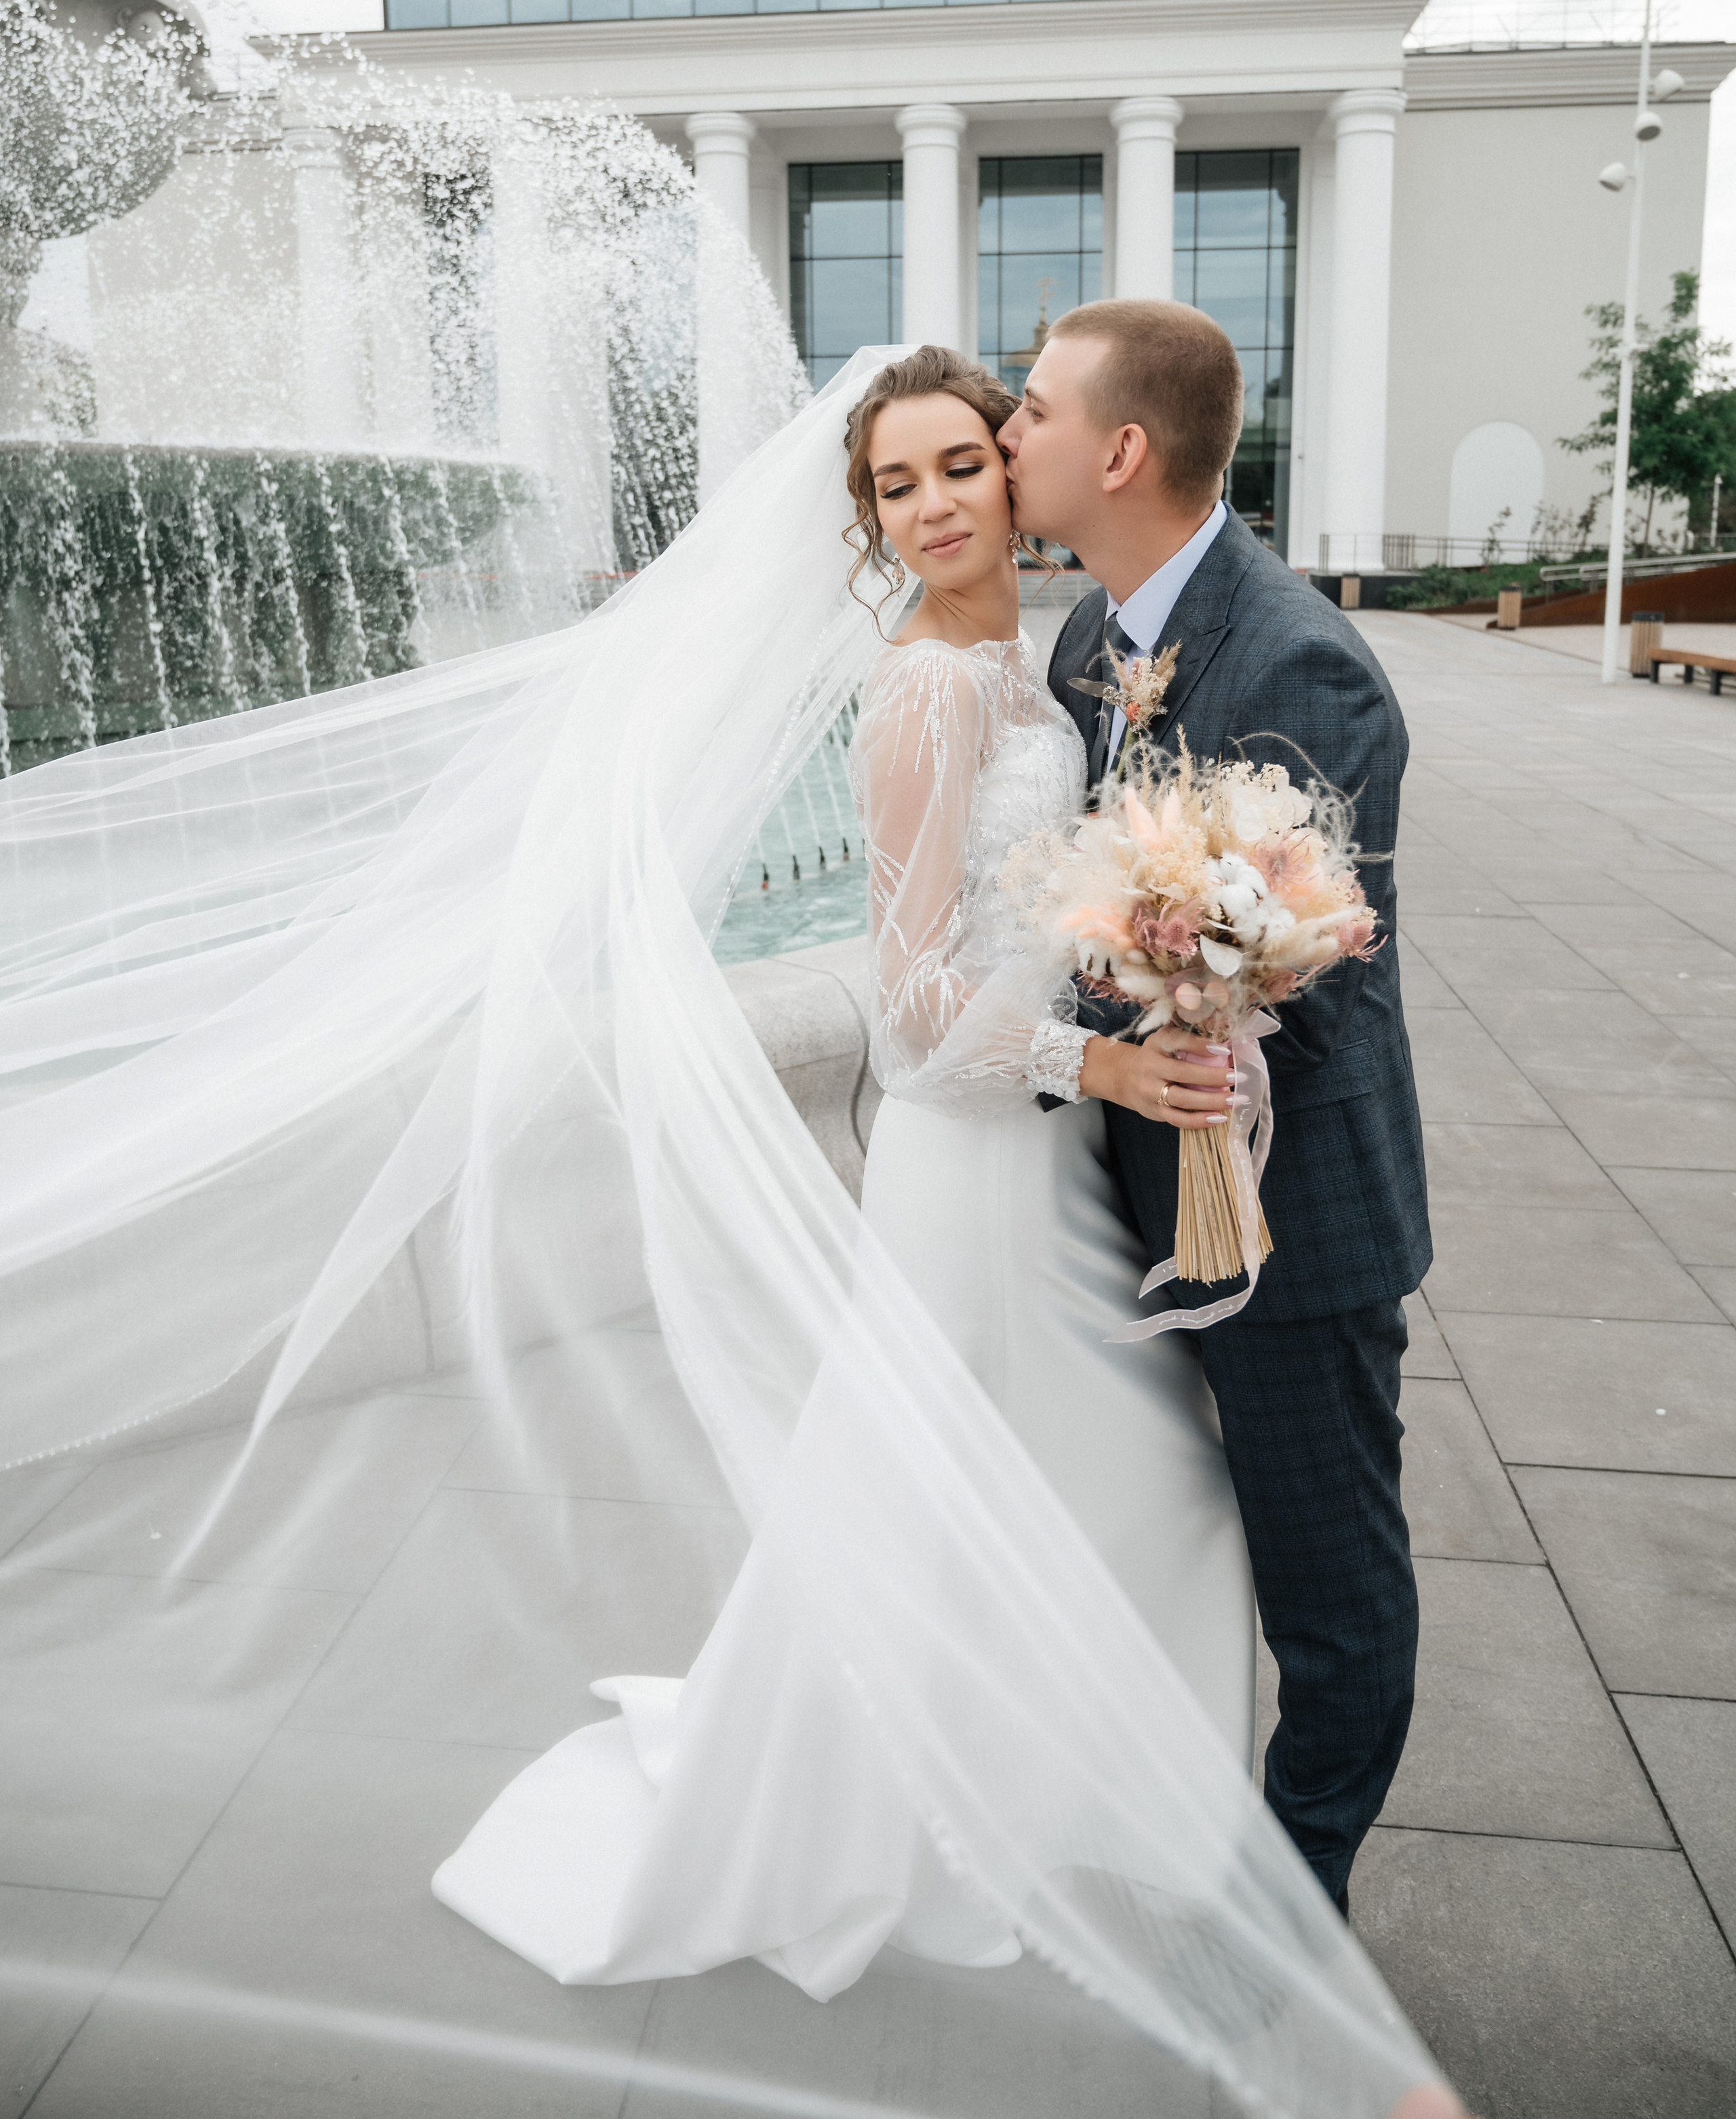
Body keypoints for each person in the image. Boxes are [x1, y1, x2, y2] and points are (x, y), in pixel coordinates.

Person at [0, 342, 1457, 2117]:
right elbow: (911, 1015)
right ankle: (919, 1825)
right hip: (974, 1157)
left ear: (1023, 473)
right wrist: (1107, 1060)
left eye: (955, 465)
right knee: (1023, 1491)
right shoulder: (922, 698)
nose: (929, 504)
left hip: (1056, 1167)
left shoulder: (1062, 657)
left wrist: (1186, 990)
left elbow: (1148, 875)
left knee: (1083, 1493)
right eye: (891, 486)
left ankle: (1073, 1809)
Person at [998, 298, 1433, 1919]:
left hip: (1284, 1220)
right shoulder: (1080, 638)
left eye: (1033, 409)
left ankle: (1291, 1909)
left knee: (1327, 1594)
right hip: (1121, 1199)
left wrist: (1188, 1025)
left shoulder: (1301, 662)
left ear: (1119, 451)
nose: (1007, 430)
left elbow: (1317, 977)